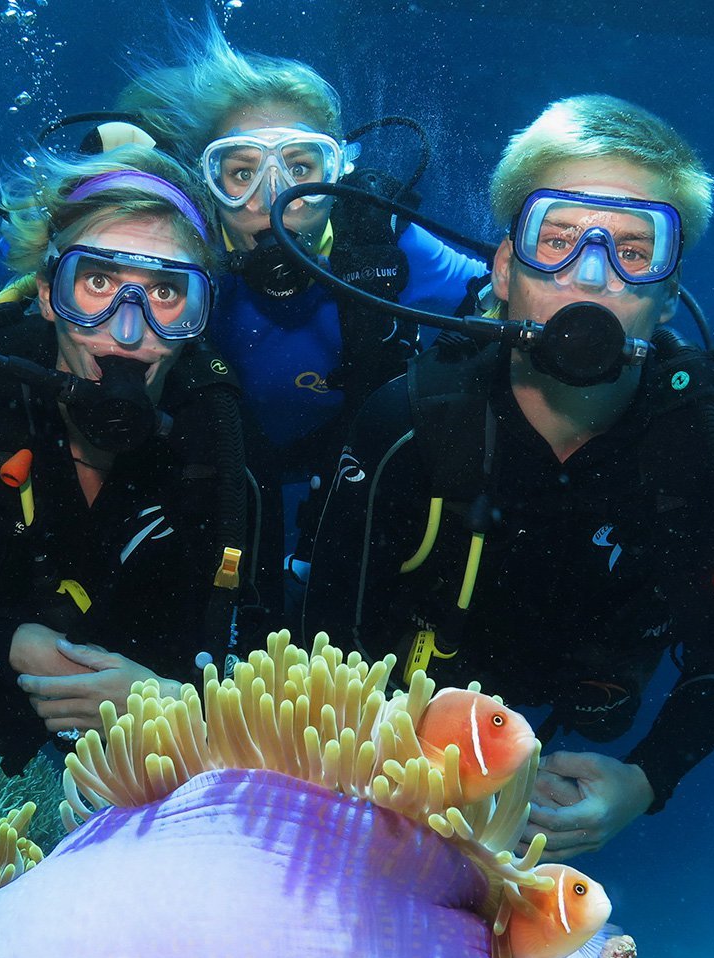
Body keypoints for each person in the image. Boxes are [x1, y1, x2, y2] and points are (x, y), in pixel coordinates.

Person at [303, 94, 714, 860]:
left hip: (585, 706)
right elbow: (322, 633)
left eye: (633, 249)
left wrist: (646, 780)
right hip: (409, 721)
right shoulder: (406, 424)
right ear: (503, 265)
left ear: (667, 292)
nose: (590, 275)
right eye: (555, 238)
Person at [0, 145, 248, 773]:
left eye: (164, 291)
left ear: (200, 312)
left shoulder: (224, 435)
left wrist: (172, 703)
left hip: (161, 756)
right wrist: (13, 645)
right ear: (49, 293)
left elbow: (267, 640)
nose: (126, 333)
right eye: (97, 282)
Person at [115, 19, 487, 583]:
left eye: (300, 168)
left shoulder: (379, 238)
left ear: (336, 172)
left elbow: (495, 293)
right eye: (241, 172)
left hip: (349, 464)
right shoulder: (181, 250)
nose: (274, 199)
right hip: (206, 461)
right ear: (207, 181)